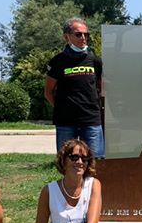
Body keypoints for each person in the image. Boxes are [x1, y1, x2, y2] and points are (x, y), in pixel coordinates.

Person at [45, 17, 106, 157]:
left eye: (86, 34)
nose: (83, 38)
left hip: (91, 120)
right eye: (78, 34)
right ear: (67, 37)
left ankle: (91, 180)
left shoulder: (95, 60)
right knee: (67, 161)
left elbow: (100, 86)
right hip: (66, 122)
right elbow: (48, 91)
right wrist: (62, 108)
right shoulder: (57, 62)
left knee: (95, 162)